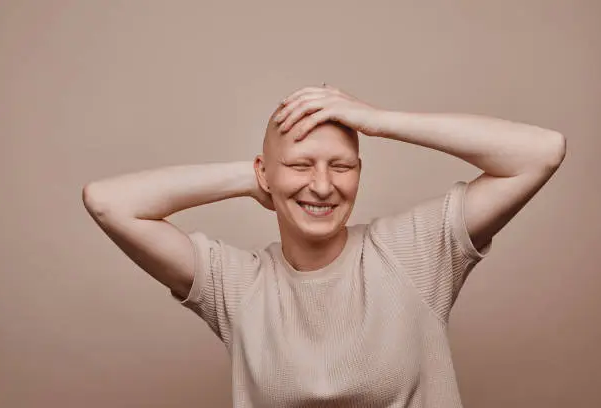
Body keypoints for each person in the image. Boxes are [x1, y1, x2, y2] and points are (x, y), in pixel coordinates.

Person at [82, 84, 566, 407]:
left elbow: (540, 152)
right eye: (300, 166)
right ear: (265, 171)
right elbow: (108, 202)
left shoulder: (413, 253)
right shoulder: (238, 286)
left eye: (342, 166)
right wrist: (256, 178)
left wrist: (376, 120)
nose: (322, 185)